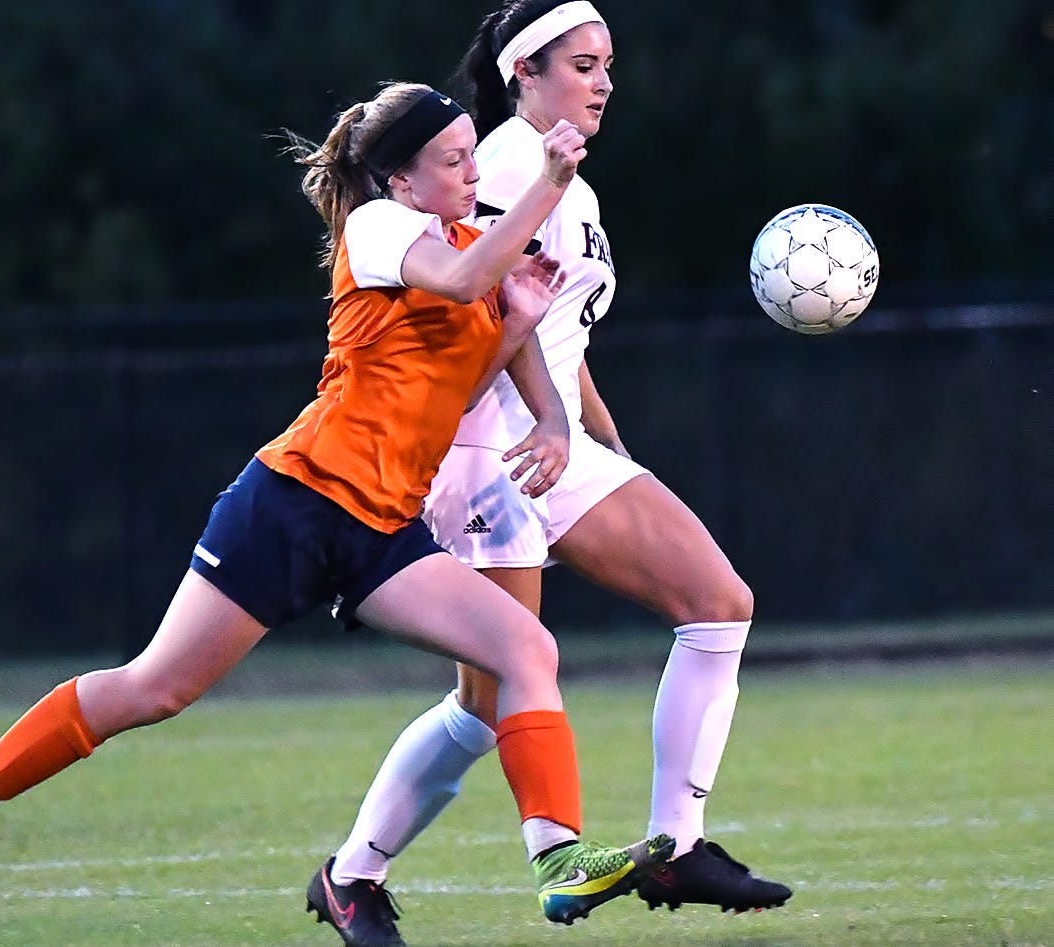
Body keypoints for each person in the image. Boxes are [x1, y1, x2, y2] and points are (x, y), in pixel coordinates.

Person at [0, 81, 674, 936]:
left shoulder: (481, 252)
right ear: (400, 180)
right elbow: (459, 280)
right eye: (451, 160)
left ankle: (558, 859)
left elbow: (483, 375)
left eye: (469, 155)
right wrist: (548, 187)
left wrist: (532, 350)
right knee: (156, 688)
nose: (469, 171)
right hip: (294, 503)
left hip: (386, 529)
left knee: (526, 646)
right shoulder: (381, 228)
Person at [310, 5, 793, 945]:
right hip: (480, 452)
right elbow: (466, 329)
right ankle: (353, 874)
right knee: (488, 703)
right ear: (524, 72)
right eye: (581, 63)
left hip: (548, 444)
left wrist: (604, 445)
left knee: (718, 601)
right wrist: (547, 426)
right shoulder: (497, 167)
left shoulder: (572, 185)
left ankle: (678, 842)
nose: (604, 81)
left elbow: (560, 344)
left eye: (609, 63)